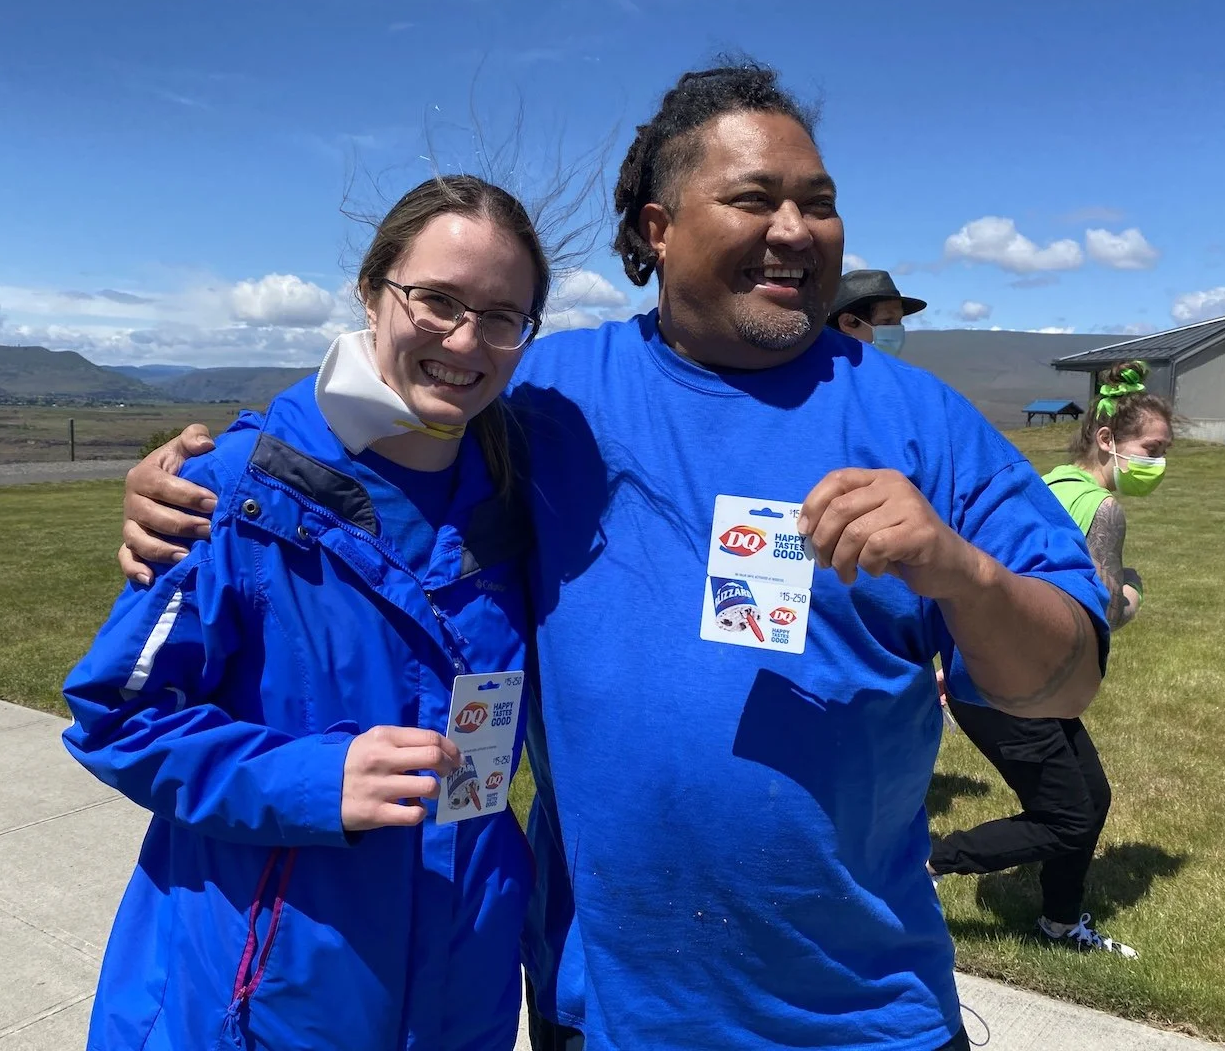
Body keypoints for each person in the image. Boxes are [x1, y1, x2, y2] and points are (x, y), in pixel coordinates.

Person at [114, 60, 1109, 1051]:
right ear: (657, 227)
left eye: (819, 203)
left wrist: (964, 574)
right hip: (602, 1013)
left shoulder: (922, 425)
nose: (796, 230)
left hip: (859, 1019)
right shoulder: (547, 398)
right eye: (755, 199)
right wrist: (203, 474)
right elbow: (371, 415)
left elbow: (1062, 681)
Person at [61, 174, 550, 1050]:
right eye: (437, 300)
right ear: (371, 292)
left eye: (502, 316)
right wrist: (315, 782)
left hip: (460, 991)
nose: (465, 340)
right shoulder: (230, 493)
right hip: (262, 1003)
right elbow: (115, 716)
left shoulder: (525, 505)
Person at [929, 361, 1172, 958]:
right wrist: (1133, 591)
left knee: (1091, 797)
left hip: (996, 669)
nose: (1160, 463)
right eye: (1153, 449)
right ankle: (929, 862)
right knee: (1067, 817)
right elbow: (1104, 611)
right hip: (1014, 684)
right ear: (1108, 440)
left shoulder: (1049, 485)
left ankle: (1060, 923)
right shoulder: (1104, 511)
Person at [829, 267, 926, 356]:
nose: (897, 329)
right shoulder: (824, 368)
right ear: (847, 322)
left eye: (899, 321)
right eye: (887, 321)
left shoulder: (899, 369)